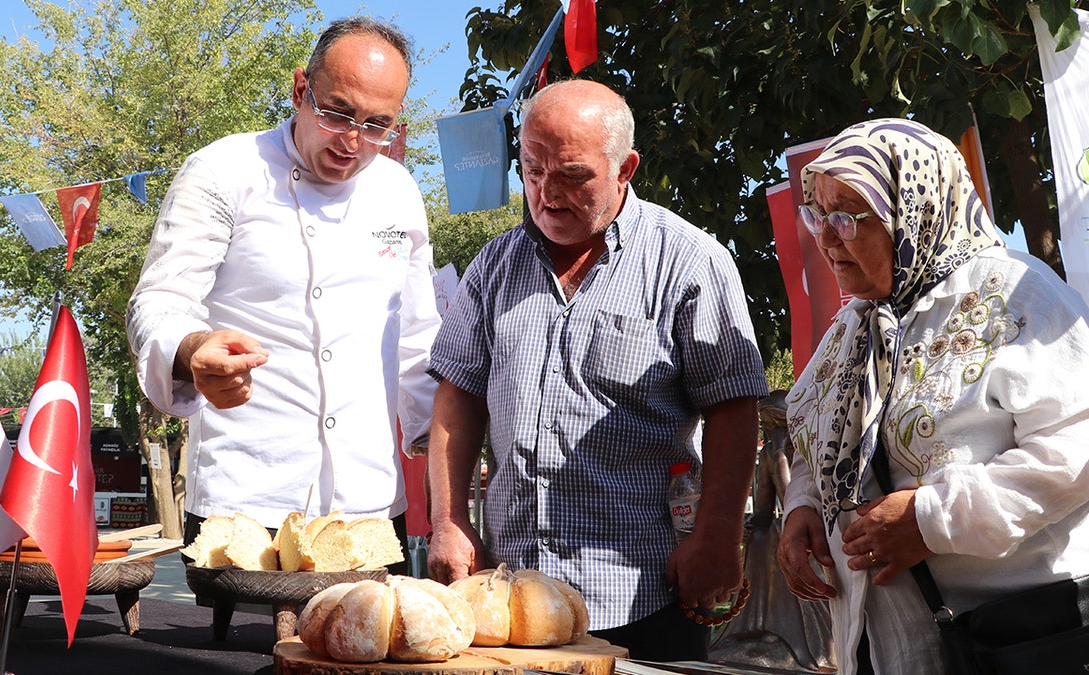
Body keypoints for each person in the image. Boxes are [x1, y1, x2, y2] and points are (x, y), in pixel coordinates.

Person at [425, 79, 768, 661]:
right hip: (511, 602)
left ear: (624, 168)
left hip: (643, 593)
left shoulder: (689, 261)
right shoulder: (495, 265)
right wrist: (449, 519)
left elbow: (733, 407)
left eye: (572, 174)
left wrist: (717, 535)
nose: (546, 192)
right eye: (531, 169)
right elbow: (459, 398)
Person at [775, 118, 1089, 674]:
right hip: (885, 646)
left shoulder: (1017, 296)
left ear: (912, 212)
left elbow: (1075, 449)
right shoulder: (856, 326)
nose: (825, 236)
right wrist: (803, 504)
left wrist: (931, 519)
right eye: (818, 213)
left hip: (1017, 639)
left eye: (848, 216)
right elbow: (817, 434)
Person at [125, 17, 441, 563]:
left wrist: (438, 454)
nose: (353, 141)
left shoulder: (399, 191)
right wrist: (191, 350)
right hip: (244, 494)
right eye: (337, 112)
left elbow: (415, 335)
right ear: (300, 89)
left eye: (376, 125)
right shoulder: (223, 170)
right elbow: (158, 301)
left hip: (367, 503)